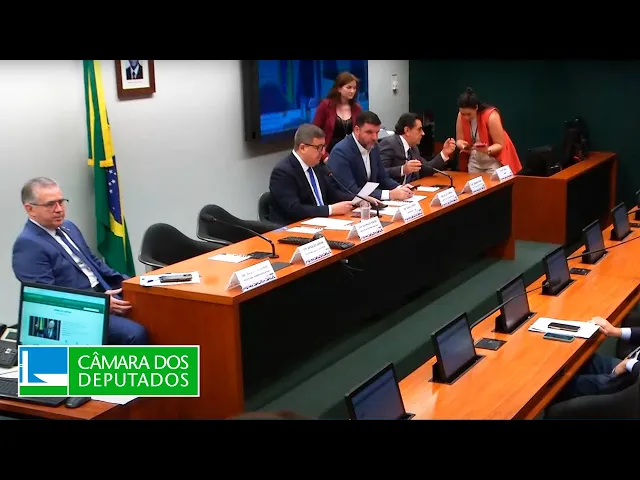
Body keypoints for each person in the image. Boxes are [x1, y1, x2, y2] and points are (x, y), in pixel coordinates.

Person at [12, 177, 148, 345]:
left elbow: (94, 263)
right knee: (135, 333)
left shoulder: (68, 227)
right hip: (76, 312)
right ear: (30, 209)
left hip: (104, 293)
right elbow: (47, 298)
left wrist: (131, 283)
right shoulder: (28, 244)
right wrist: (98, 302)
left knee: (155, 308)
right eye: (50, 204)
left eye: (61, 202)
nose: (59, 209)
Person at [268, 124, 355, 225]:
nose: (323, 152)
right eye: (318, 147)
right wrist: (330, 210)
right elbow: (294, 209)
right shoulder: (282, 172)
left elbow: (333, 194)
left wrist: (358, 199)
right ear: (303, 148)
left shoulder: (317, 166)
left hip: (322, 223)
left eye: (323, 147)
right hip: (294, 227)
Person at [326, 111, 413, 202]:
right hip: (346, 205)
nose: (375, 138)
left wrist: (399, 188)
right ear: (357, 130)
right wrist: (389, 194)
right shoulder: (341, 152)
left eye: (377, 132)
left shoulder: (373, 146)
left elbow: (382, 177)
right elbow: (351, 190)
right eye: (369, 132)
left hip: (368, 203)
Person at [554, 316, 640, 402]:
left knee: (561, 385)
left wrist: (629, 364)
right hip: (632, 364)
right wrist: (616, 331)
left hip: (632, 384)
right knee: (581, 362)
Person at [455, 87, 522, 175]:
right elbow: (459, 140)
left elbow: (499, 144)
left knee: (491, 183)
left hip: (493, 160)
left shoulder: (491, 116)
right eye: (463, 114)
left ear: (476, 107)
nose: (466, 117)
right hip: (475, 160)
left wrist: (487, 150)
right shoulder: (461, 115)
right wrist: (463, 145)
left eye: (469, 114)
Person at [379, 112, 456, 184]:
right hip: (394, 191)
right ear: (407, 130)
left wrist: (444, 153)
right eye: (419, 129)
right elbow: (379, 174)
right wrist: (403, 169)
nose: (423, 133)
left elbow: (426, 169)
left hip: (413, 189)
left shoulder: (413, 148)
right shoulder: (389, 144)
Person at [312, 72, 363, 160]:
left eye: (354, 88)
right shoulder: (326, 105)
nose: (352, 91)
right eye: (349, 87)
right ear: (339, 88)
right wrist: (324, 156)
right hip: (328, 153)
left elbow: (360, 133)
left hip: (350, 154)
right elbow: (314, 132)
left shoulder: (357, 108)